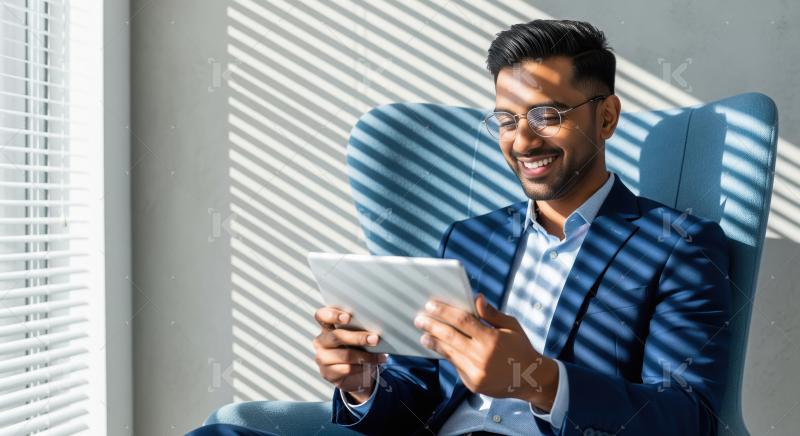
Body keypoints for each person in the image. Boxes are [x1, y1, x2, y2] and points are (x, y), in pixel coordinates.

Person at [189, 19, 731, 436]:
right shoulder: (470, 239)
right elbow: (420, 390)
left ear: (606, 117)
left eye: (546, 115)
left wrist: (539, 380)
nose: (523, 141)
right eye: (506, 119)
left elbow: (689, 417)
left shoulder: (676, 245)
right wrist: (363, 384)